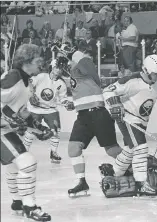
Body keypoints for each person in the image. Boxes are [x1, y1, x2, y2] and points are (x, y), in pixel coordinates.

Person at [102, 54, 157, 194]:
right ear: (145, 70)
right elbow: (108, 90)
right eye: (154, 74)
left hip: (142, 121)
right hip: (128, 118)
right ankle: (141, 183)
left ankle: (115, 173)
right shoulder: (132, 81)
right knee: (141, 147)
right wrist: (115, 104)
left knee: (130, 149)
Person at [55, 45, 124, 198]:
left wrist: (70, 51)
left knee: (112, 150)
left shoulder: (86, 66)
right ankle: (81, 182)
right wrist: (74, 104)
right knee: (73, 149)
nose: (64, 64)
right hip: (83, 116)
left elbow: (82, 59)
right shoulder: (74, 75)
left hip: (99, 113)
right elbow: (83, 92)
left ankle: (133, 168)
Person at [1, 44, 52, 221]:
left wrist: (37, 127)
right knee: (27, 163)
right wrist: (8, 116)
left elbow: (21, 112)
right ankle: (29, 206)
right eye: (38, 58)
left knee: (14, 165)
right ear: (27, 61)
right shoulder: (13, 76)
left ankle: (17, 201)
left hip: (4, 129)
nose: (42, 62)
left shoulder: (26, 81)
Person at [22, 59, 75, 163]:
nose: (58, 70)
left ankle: (53, 153)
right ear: (52, 67)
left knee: (55, 131)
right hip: (35, 109)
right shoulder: (42, 76)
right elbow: (29, 83)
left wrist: (67, 103)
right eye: (57, 67)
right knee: (31, 131)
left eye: (60, 68)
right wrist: (32, 95)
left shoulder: (61, 84)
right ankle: (24, 153)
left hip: (51, 110)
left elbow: (62, 98)